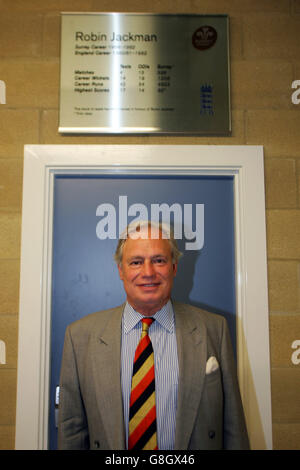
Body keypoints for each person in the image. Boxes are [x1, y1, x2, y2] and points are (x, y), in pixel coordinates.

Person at [58, 220, 250, 450]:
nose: (148, 273)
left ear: (174, 267)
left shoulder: (213, 329)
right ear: (121, 270)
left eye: (159, 260)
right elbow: (72, 432)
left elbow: (232, 426)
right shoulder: (80, 336)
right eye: (136, 262)